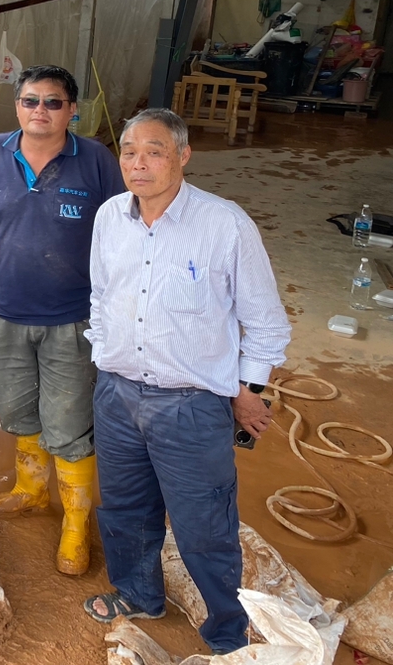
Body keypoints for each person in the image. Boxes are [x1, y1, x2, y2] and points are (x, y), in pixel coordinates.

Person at [81, 108, 289, 654]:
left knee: (205, 526)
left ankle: (227, 632)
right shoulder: (109, 217)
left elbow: (266, 321)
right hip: (118, 393)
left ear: (183, 156)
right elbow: (101, 296)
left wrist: (249, 390)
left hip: (191, 406)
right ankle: (139, 592)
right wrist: (104, 355)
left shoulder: (225, 224)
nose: (139, 163)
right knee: (125, 508)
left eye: (154, 151)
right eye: (129, 152)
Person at [0, 64, 123, 577]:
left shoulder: (95, 161)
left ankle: (75, 521)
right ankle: (29, 490)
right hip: (8, 312)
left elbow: (123, 232)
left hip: (74, 318)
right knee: (19, 410)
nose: (39, 111)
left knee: (67, 421)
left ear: (72, 110)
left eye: (52, 102)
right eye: (30, 101)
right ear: (16, 105)